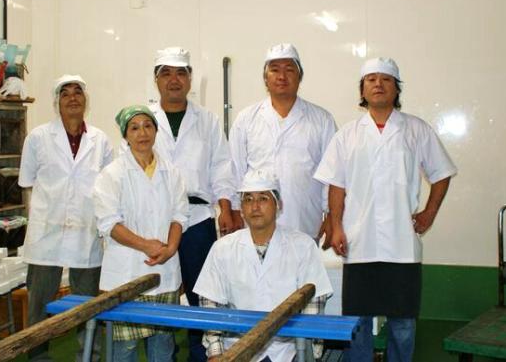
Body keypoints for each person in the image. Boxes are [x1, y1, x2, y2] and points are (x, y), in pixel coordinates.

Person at [313, 57, 457, 362]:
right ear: (362, 90)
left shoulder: (416, 130)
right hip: (359, 242)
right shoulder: (347, 135)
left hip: (401, 245)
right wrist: (336, 226)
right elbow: (336, 185)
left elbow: (442, 173)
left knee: (403, 323)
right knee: (358, 323)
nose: (378, 84)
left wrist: (429, 213)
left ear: (396, 88)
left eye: (386, 79)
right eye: (371, 79)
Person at [148, 47, 237, 361]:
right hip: (155, 219)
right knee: (160, 293)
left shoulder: (207, 120)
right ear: (156, 79)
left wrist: (226, 208)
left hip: (198, 219)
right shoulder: (143, 119)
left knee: (203, 293)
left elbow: (222, 166)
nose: (174, 80)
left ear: (189, 79)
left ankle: (201, 354)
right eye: (166, 73)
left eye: (180, 73)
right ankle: (163, 356)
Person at [18, 74, 114, 360]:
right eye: (65, 93)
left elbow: (109, 185)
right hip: (46, 234)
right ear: (57, 102)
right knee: (39, 306)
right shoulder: (38, 138)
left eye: (77, 92)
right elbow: (27, 182)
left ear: (86, 100)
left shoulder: (100, 140)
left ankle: (89, 357)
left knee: (88, 305)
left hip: (86, 232)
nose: (72, 97)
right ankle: (38, 358)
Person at [194, 170, 333, 362]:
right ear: (241, 209)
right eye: (248, 199)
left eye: (263, 198)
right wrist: (216, 353)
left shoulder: (303, 246)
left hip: (289, 350)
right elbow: (210, 304)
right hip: (235, 349)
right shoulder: (222, 248)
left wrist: (309, 354)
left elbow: (314, 303)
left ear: (279, 205)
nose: (255, 206)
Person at [93, 105, 189, 362]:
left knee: (163, 346)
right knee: (124, 350)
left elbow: (180, 215)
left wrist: (171, 248)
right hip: (126, 274)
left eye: (147, 126)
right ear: (125, 135)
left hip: (165, 271)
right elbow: (109, 224)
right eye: (134, 128)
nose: (142, 133)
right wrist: (146, 246)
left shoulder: (171, 172)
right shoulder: (111, 174)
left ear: (156, 131)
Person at [229, 43, 336, 243]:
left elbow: (331, 175)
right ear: (265, 78)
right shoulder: (246, 119)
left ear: (300, 76)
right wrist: (235, 209)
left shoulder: (322, 120)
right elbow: (235, 169)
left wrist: (331, 215)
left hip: (304, 222)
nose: (281, 76)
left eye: (289, 70)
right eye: (275, 70)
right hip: (256, 225)